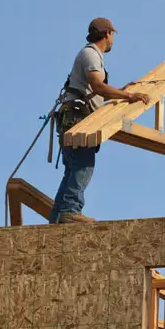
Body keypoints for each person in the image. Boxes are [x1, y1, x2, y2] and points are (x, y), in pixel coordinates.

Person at [49, 17, 149, 224]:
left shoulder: (91, 56)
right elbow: (98, 86)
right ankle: (70, 210)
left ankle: (58, 218)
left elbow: (98, 93)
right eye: (112, 35)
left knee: (73, 168)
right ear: (107, 34)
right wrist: (130, 96)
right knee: (83, 165)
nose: (113, 40)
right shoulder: (91, 55)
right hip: (78, 118)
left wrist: (120, 92)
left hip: (72, 117)